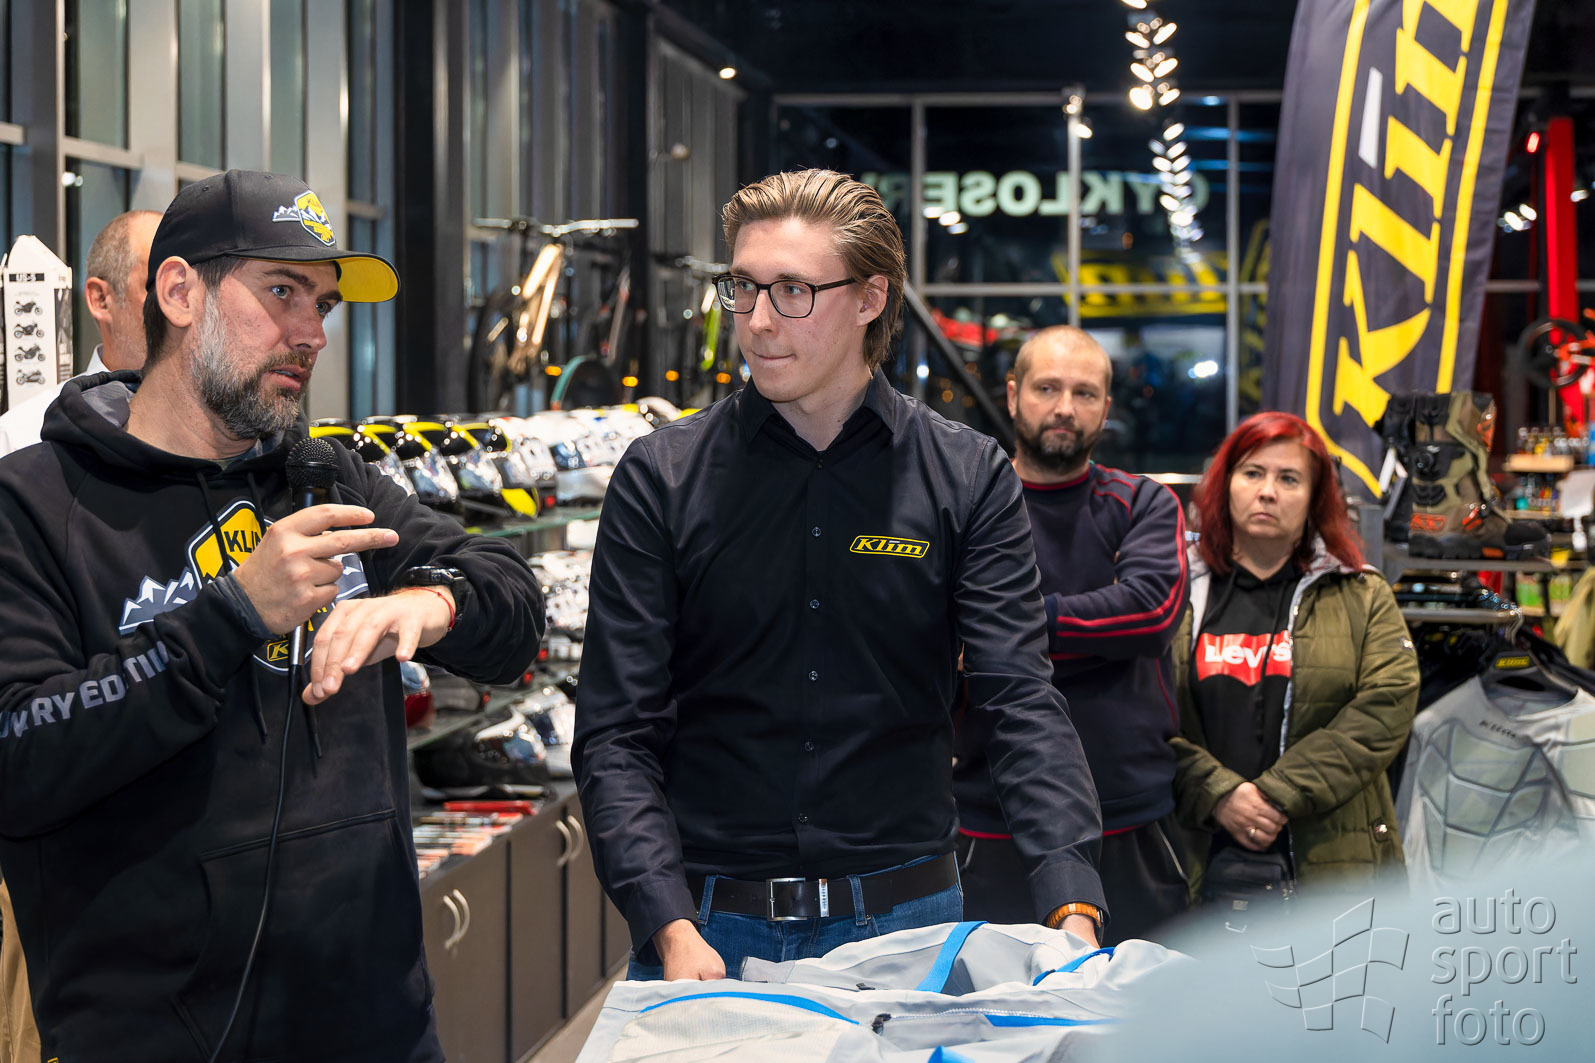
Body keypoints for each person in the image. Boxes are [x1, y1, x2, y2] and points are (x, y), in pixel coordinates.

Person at [0, 170, 546, 1062]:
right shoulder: (36, 504)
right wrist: (228, 616)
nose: (313, 334)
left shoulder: (328, 478)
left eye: (323, 305)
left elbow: (512, 604)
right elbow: (20, 754)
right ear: (179, 292)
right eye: (282, 292)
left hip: (379, 1027)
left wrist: (431, 599)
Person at [574, 169, 1106, 982]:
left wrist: (1071, 906)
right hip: (709, 926)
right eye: (743, 287)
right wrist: (668, 926)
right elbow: (616, 731)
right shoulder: (661, 476)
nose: (757, 321)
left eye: (792, 291)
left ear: (869, 298)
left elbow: (1018, 698)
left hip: (906, 925)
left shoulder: (965, 475)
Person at [953, 326, 1189, 944]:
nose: (1064, 407)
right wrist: (1093, 628)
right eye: (1047, 388)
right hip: (988, 817)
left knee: (1145, 1004)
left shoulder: (1142, 503)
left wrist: (1002, 624)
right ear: (1013, 395)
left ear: (1106, 409)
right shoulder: (965, 507)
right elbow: (937, 632)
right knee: (986, 1000)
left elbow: (1149, 613)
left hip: (1128, 815)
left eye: (1084, 393)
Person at [0, 207, 159, 1063]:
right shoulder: (23, 445)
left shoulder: (233, 437)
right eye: (158, 284)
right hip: (64, 808)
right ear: (98, 298)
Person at [1170, 411, 1418, 903]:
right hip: (1193, 864)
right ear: (1225, 484)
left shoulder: (1361, 593)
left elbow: (1387, 706)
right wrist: (1218, 793)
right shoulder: (1174, 591)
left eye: (1289, 479)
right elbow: (1142, 718)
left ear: (1314, 498)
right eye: (1252, 473)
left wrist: (1276, 794)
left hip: (1334, 867)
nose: (1268, 492)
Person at [0, 209, 161, 457]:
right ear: (101, 299)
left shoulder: (218, 429)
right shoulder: (23, 437)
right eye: (157, 285)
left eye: (188, 286)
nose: (182, 306)